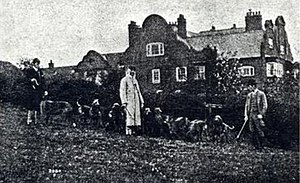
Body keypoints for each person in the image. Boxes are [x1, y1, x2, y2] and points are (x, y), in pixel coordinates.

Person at [119, 66, 144, 135]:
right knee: (129, 115)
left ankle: (135, 130)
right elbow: (122, 91)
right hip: (129, 101)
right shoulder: (124, 80)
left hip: (136, 100)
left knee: (136, 115)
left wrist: (142, 101)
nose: (132, 72)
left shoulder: (135, 80)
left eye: (134, 71)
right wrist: (124, 102)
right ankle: (128, 131)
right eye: (131, 71)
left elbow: (138, 91)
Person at [244, 79, 268, 150]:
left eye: (249, 86)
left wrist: (261, 114)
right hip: (251, 114)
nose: (249, 88)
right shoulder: (249, 95)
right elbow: (246, 106)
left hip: (258, 115)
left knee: (260, 130)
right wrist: (246, 115)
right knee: (252, 130)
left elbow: (265, 105)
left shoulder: (261, 94)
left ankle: (262, 146)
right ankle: (255, 146)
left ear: (253, 86)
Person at [24, 58, 47, 124]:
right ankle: (29, 119)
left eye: (38, 63)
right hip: (31, 90)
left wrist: (45, 90)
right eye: (36, 63)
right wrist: (31, 80)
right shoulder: (29, 71)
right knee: (30, 105)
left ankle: (36, 120)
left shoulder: (40, 71)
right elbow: (25, 80)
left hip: (39, 91)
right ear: (33, 64)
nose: (37, 65)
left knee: (37, 104)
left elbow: (43, 81)